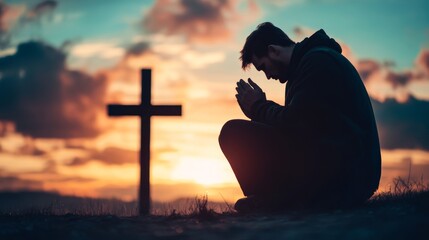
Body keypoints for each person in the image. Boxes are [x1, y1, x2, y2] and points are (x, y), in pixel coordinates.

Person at [218, 22, 381, 213]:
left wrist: (258, 107)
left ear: (273, 51)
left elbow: (297, 123)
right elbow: (299, 127)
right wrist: (259, 112)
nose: (268, 76)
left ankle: (271, 201)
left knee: (233, 133)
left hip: (348, 178)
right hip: (342, 170)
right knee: (238, 132)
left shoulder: (318, 61)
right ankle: (270, 199)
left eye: (263, 67)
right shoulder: (307, 65)